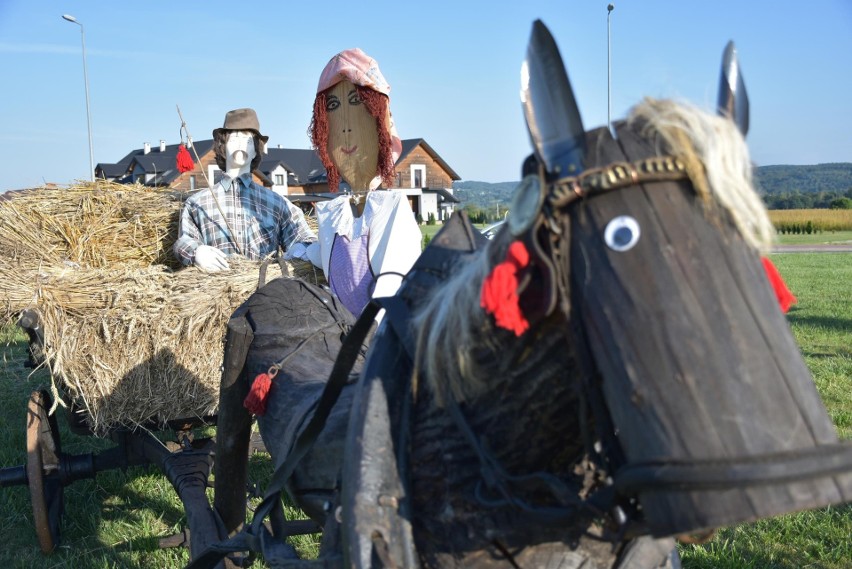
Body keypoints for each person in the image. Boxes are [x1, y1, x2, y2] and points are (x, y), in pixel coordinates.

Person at [305, 49, 422, 316]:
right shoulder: (334, 214)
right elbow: (321, 255)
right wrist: (294, 251)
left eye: (356, 102)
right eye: (333, 107)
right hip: (342, 347)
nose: (346, 127)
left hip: (380, 350)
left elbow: (390, 297)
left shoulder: (391, 210)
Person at [174, 108, 316, 271]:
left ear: (256, 149)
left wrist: (303, 249)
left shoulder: (277, 203)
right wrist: (196, 252)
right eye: (234, 139)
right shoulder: (198, 203)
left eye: (248, 140)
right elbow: (184, 241)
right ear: (222, 146)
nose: (241, 144)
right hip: (215, 290)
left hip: (266, 291)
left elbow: (302, 236)